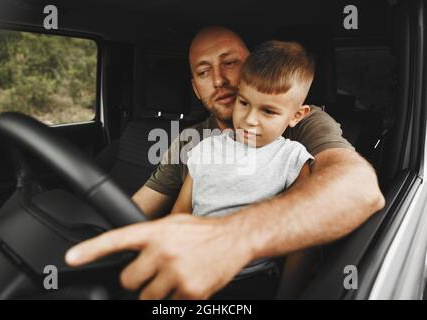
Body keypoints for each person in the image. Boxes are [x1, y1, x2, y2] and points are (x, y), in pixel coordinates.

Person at [65, 26, 385, 300]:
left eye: (230, 63)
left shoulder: (303, 124)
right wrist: (81, 249)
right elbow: (139, 211)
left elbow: (358, 189)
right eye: (204, 72)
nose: (219, 79)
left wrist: (233, 238)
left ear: (251, 66)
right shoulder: (193, 143)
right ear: (195, 87)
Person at [169, 40, 315, 298]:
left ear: (296, 116)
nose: (249, 119)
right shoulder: (205, 149)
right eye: (244, 103)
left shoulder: (292, 159)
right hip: (193, 274)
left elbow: (301, 238)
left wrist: (287, 294)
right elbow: (181, 213)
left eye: (268, 111)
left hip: (252, 282)